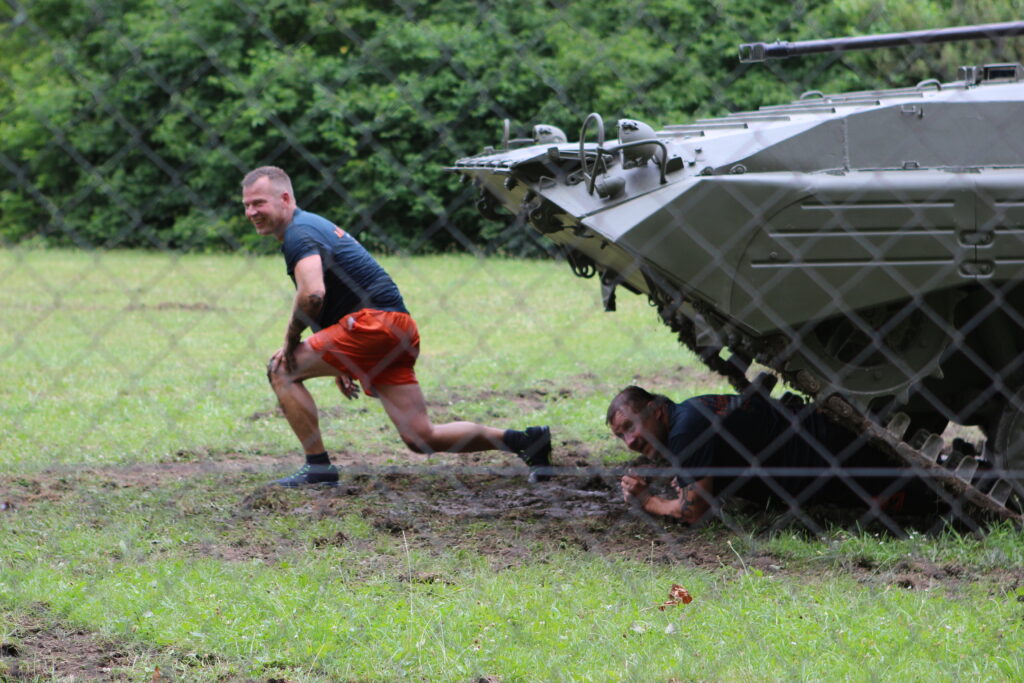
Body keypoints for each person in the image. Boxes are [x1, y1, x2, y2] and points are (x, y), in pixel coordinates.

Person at [242, 166, 551, 486]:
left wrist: (292, 339)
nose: (252, 212)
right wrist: (342, 355)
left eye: (259, 203)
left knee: (281, 369)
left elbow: (313, 294)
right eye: (247, 205)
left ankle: (318, 469)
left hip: (371, 326)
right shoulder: (310, 226)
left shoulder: (299, 233)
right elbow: (338, 293)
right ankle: (526, 441)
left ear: (285, 198)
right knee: (421, 437)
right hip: (394, 328)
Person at [607, 385, 940, 524]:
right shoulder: (690, 411)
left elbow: (693, 511)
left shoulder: (685, 430)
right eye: (621, 435)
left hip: (840, 462)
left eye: (630, 426)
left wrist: (649, 501)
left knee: (923, 503)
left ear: (655, 410)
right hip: (832, 443)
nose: (630, 441)